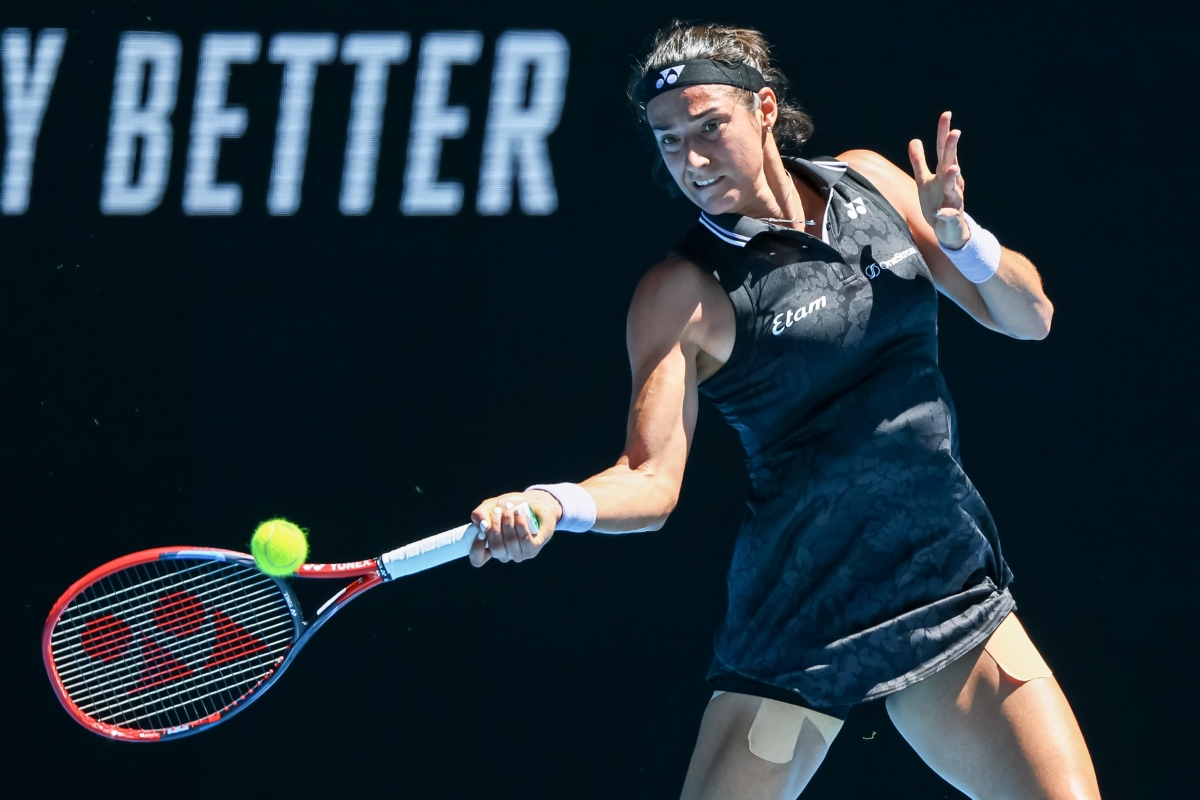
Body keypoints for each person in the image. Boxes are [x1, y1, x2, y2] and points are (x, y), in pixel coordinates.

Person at [468, 21, 1101, 800]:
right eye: (670, 142)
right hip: (802, 624)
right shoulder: (682, 294)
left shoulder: (871, 183)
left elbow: (1029, 315)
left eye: (710, 127)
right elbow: (648, 481)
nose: (693, 161)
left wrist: (963, 240)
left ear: (764, 108)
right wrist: (550, 503)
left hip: (944, 587)